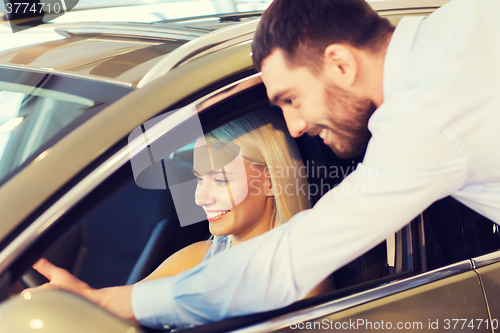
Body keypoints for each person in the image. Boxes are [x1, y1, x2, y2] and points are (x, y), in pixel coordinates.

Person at [30, 0, 500, 329]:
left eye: (291, 99)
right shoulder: (467, 21)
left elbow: (288, 263)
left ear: (339, 63)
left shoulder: (421, 122)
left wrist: (108, 304)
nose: (293, 126)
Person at [29, 110, 334, 325]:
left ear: (269, 181)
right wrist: (76, 304)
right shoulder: (193, 258)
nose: (200, 198)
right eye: (199, 179)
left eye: (220, 180)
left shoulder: (303, 280)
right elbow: (115, 315)